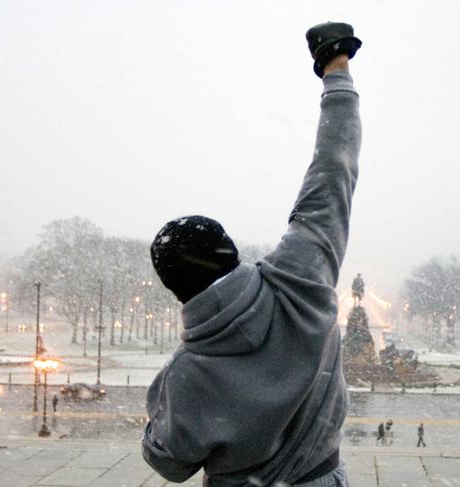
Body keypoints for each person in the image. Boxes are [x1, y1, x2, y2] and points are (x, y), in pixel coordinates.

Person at [142, 21, 362, 487]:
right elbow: (333, 169)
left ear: (173, 288)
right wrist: (335, 68)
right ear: (231, 249)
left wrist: (162, 397)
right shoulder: (300, 277)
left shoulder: (188, 375)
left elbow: (169, 462)